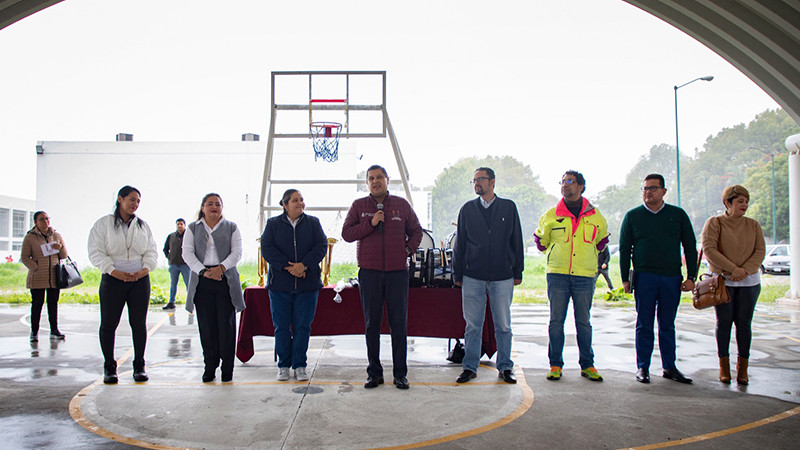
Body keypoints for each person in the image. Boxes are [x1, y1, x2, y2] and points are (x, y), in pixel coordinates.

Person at [342, 164, 423, 390]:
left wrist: (407, 250)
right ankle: (374, 373)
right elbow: (347, 234)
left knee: (399, 324)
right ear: (367, 183)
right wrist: (371, 223)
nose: (375, 181)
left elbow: (416, 231)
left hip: (397, 273)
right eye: (371, 178)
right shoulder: (359, 206)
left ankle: (400, 374)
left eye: (379, 177)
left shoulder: (401, 205)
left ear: (388, 180)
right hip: (369, 273)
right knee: (372, 324)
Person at [619, 174, 697, 384]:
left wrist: (691, 277)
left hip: (671, 278)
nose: (648, 192)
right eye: (644, 189)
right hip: (644, 277)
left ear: (664, 191)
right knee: (644, 323)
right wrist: (626, 278)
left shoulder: (678, 215)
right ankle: (643, 367)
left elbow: (690, 246)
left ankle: (669, 367)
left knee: (667, 324)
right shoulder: (632, 216)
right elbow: (625, 248)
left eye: (653, 188)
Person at [534, 170, 609, 382]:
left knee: (583, 322)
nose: (565, 185)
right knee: (556, 321)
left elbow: (602, 241)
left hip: (584, 276)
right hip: (557, 275)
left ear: (581, 186)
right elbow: (540, 241)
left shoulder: (596, 216)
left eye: (570, 181)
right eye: (562, 182)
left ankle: (588, 365)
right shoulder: (551, 215)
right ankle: (555, 364)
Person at [452, 167, 524, 384]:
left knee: (503, 325)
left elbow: (516, 241)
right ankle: (469, 367)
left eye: (480, 180)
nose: (476, 184)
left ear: (492, 182)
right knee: (473, 325)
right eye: (473, 180)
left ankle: (505, 367)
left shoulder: (508, 208)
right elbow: (460, 244)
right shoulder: (467, 209)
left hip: (502, 276)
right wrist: (458, 272)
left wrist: (517, 271)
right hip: (473, 275)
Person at [88, 186, 158, 384]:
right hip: (113, 280)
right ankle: (110, 367)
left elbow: (151, 251)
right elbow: (96, 251)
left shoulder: (143, 226)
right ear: (120, 199)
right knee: (109, 324)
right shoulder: (103, 225)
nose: (135, 204)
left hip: (139, 281)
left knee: (138, 324)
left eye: (138, 201)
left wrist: (145, 270)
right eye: (131, 199)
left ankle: (139, 366)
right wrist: (113, 271)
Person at [701, 185, 765, 385]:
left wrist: (745, 270)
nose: (744, 205)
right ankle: (724, 368)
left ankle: (742, 369)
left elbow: (759, 251)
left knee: (744, 325)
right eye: (740, 201)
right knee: (724, 323)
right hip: (722, 282)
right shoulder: (714, 223)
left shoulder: (753, 225)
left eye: (746, 202)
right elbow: (709, 249)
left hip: (749, 282)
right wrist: (732, 270)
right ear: (727, 203)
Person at [261, 189, 327, 382]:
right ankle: (283, 365)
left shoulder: (313, 223)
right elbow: (267, 248)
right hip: (280, 285)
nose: (300, 203)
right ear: (285, 204)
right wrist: (288, 267)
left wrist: (303, 265)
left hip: (308, 285)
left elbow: (321, 246)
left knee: (302, 326)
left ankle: (299, 365)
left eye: (301, 200)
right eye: (295, 200)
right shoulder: (273, 224)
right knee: (281, 327)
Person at [182, 193, 245, 383]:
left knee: (226, 326)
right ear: (202, 208)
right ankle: (210, 365)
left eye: (218, 204)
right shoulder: (192, 228)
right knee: (207, 327)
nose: (214, 207)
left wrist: (221, 268)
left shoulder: (231, 227)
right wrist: (204, 272)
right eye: (209, 204)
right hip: (202, 280)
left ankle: (227, 369)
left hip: (225, 279)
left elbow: (237, 253)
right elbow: (187, 254)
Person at [20, 211, 68, 342]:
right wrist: (36, 267)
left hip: (54, 277)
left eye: (47, 218)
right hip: (37, 277)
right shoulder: (30, 237)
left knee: (53, 304)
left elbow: (64, 256)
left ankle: (54, 330)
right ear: (36, 222)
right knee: (37, 304)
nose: (46, 221)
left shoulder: (56, 235)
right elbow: (24, 257)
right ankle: (34, 332)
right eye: (42, 219)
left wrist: (60, 247)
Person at [162, 218, 191, 310]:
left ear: (184, 225)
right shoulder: (171, 236)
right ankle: (171, 302)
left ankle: (190, 303)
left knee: (188, 284)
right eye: (178, 224)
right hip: (173, 265)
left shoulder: (189, 236)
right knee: (173, 284)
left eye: (181, 224)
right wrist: (169, 257)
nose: (179, 226)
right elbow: (165, 249)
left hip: (185, 265)